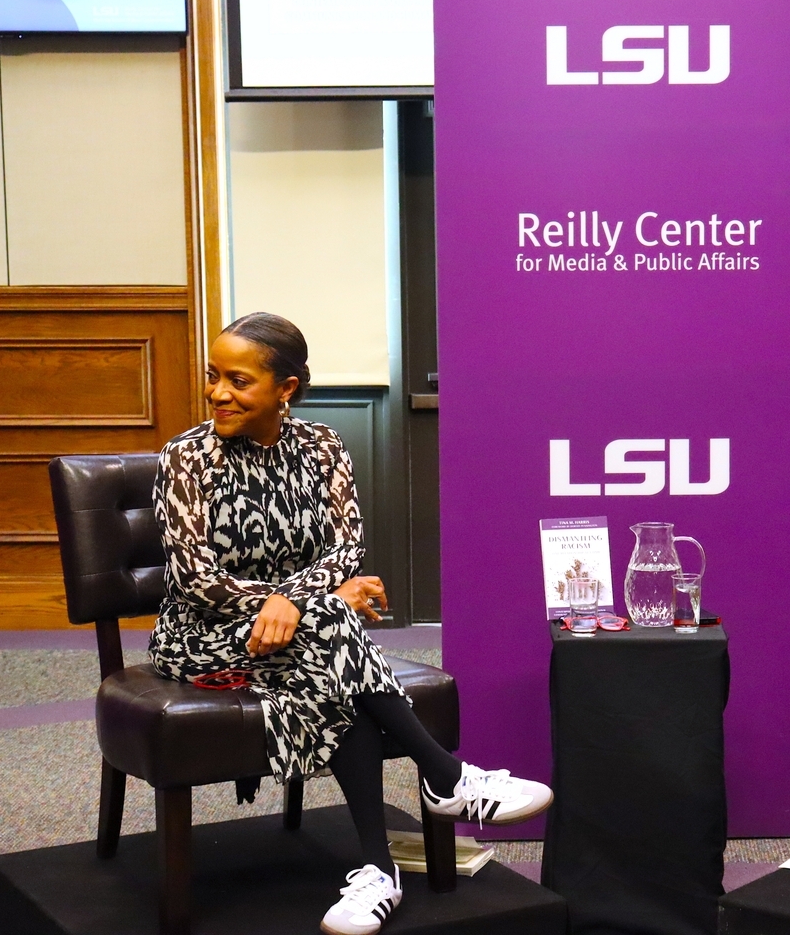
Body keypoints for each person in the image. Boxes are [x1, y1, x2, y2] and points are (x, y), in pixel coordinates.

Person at [149, 313, 553, 935]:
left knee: (328, 646)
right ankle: (446, 778)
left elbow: (345, 551)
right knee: (335, 621)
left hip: (302, 633)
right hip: (202, 635)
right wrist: (302, 599)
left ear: (285, 389)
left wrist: (294, 603)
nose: (218, 394)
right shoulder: (185, 459)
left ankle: (378, 871)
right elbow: (197, 581)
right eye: (213, 377)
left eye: (238, 380)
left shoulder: (323, 447)